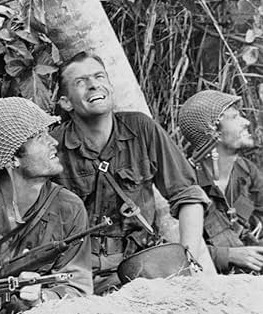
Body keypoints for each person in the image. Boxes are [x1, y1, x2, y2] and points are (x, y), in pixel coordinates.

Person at [51, 52, 211, 293]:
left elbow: (188, 194)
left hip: (138, 270)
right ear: (65, 102)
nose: (94, 84)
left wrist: (187, 263)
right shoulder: (53, 147)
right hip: (76, 272)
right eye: (81, 81)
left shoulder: (141, 129)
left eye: (99, 76)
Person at [0, 98, 93, 314]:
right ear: (13, 157)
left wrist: (42, 297)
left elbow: (78, 288)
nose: (53, 142)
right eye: (39, 137)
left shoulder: (69, 208)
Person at [178, 90, 263, 272]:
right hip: (210, 283)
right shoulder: (185, 182)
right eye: (234, 117)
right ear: (213, 131)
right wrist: (229, 255)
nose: (246, 122)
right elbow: (175, 250)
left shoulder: (247, 171)